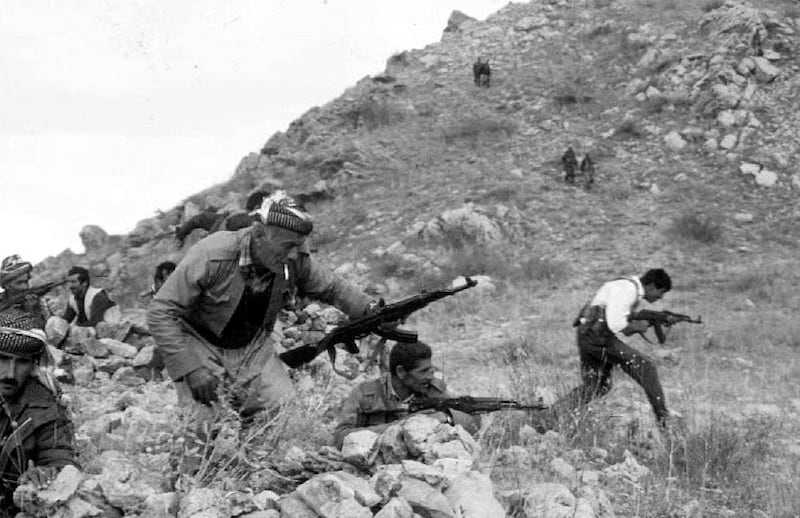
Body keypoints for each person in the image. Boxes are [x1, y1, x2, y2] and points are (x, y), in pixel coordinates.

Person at [147, 191, 377, 419]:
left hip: (253, 348)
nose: (296, 254)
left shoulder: (294, 258)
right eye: (288, 246)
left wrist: (369, 309)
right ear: (259, 234)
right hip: (200, 343)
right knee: (203, 425)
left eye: (299, 245)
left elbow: (333, 287)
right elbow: (161, 312)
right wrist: (191, 368)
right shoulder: (211, 254)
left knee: (284, 414)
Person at [562, 268, 674, 427]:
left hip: (587, 335)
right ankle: (664, 424)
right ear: (651, 286)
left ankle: (553, 414)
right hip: (598, 338)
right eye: (660, 292)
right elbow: (616, 324)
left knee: (597, 387)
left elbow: (618, 323)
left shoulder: (626, 286)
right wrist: (637, 325)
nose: (660, 297)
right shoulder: (628, 290)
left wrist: (641, 323)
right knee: (646, 368)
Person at [0, 310, 78, 516]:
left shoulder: (43, 401)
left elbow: (60, 458)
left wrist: (44, 472)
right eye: (3, 359)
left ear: (34, 365)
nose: (10, 373)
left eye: (22, 362)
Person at [334, 340, 479, 449]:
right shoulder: (365, 393)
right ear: (401, 372)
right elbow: (340, 438)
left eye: (431, 370)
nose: (430, 376)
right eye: (423, 372)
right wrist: (401, 426)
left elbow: (473, 421)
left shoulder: (433, 390)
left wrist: (447, 418)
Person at [0, 256, 48, 326]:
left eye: (26, 282)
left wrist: (33, 311)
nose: (24, 287)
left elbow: (44, 332)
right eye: (19, 283)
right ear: (7, 285)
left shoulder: (38, 302)